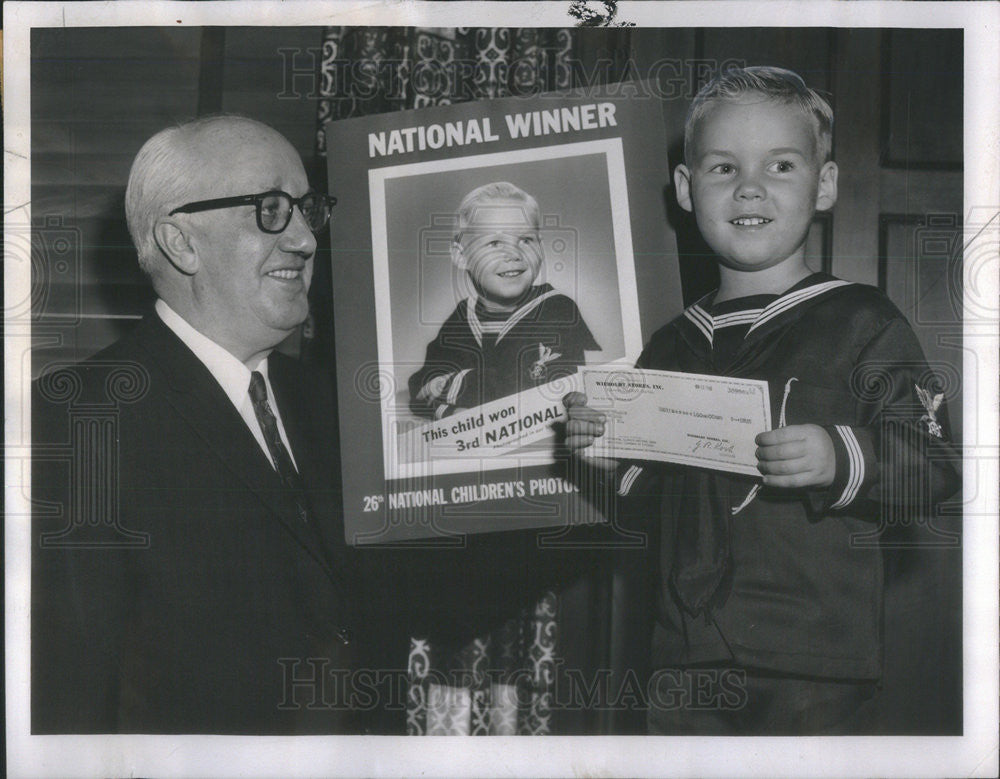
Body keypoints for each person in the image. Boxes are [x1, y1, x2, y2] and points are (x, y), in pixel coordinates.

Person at [564, 67, 961, 734]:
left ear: (825, 183)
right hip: (682, 654)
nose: (750, 186)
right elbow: (661, 500)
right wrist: (609, 461)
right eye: (723, 167)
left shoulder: (863, 321)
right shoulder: (669, 343)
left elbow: (937, 463)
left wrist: (841, 455)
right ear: (687, 191)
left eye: (780, 164)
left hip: (813, 659)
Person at [31, 115, 373, 734]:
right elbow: (68, 699)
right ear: (179, 241)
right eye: (269, 208)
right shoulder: (72, 423)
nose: (304, 238)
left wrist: (588, 471)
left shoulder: (335, 404)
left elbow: (429, 590)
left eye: (306, 208)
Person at [409, 181, 600, 419]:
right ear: (461, 256)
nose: (513, 254)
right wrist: (449, 411)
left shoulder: (557, 308)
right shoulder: (463, 316)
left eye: (526, 240)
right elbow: (420, 386)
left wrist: (453, 383)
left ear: (541, 247)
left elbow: (527, 389)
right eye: (494, 243)